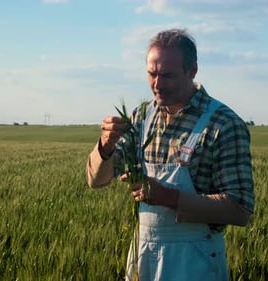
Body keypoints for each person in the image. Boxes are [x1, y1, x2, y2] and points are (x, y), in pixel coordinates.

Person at [86, 28, 254, 281]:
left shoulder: (223, 123)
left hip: (194, 262)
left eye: (167, 75)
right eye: (151, 74)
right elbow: (96, 181)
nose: (157, 84)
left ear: (192, 70)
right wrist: (105, 146)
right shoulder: (141, 117)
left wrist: (167, 197)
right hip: (143, 256)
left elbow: (240, 209)